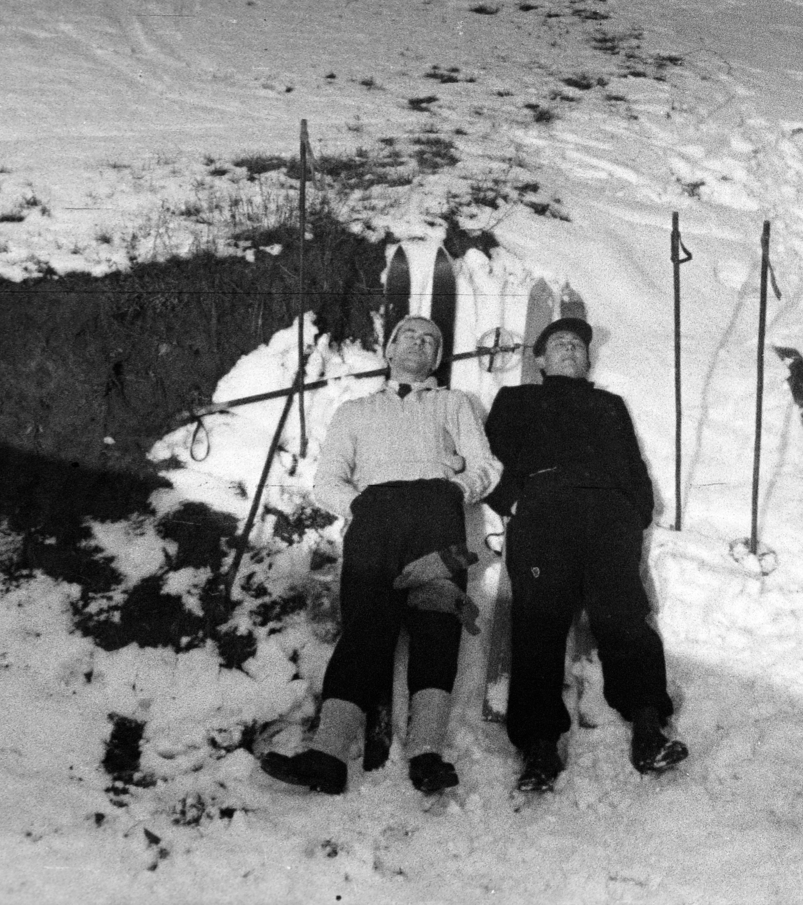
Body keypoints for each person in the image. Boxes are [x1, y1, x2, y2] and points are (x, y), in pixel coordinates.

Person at [260, 314, 501, 798]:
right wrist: (363, 507)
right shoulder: (356, 411)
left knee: (437, 627)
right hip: (374, 521)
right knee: (365, 630)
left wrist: (453, 492)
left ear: (436, 358)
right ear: (389, 350)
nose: (418, 343)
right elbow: (327, 481)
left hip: (438, 515)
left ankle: (426, 755)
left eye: (429, 340)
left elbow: (486, 465)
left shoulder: (454, 404)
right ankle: (328, 756)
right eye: (407, 336)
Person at [483, 316, 687, 793]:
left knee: (624, 615)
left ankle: (647, 727)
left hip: (606, 513)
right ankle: (538, 748)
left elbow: (633, 465)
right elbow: (488, 460)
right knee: (538, 621)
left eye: (577, 344)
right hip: (543, 510)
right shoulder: (516, 400)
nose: (570, 350)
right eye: (559, 344)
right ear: (539, 359)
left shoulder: (608, 405)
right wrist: (513, 500)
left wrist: (633, 511)